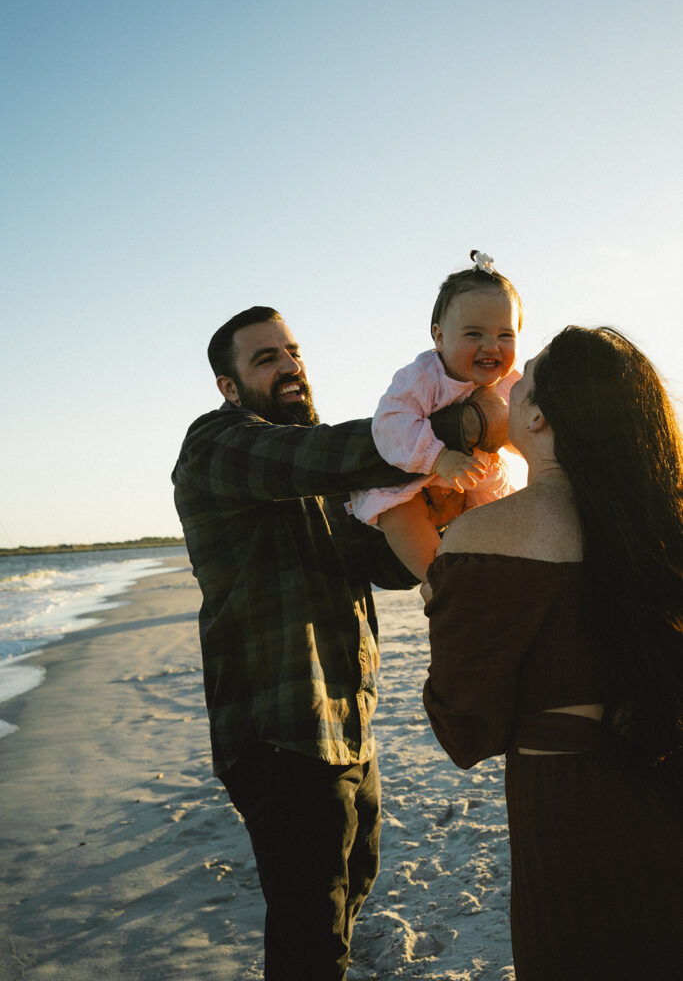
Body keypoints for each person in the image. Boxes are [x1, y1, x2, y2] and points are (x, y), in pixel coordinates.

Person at [171, 305, 504, 981]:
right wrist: (459, 422)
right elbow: (321, 455)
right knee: (309, 935)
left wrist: (440, 499)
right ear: (228, 388)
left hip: (348, 727)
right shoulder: (217, 445)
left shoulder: (324, 484)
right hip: (278, 733)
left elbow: (377, 562)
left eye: (292, 352)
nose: (291, 366)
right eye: (265, 359)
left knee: (350, 891)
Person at [422, 326, 683, 980]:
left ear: (537, 415)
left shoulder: (484, 533)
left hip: (571, 820)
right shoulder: (664, 529)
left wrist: (442, 594)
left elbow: (464, 729)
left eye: (522, 377)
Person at [351, 251, 522, 581]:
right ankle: (439, 581)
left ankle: (495, 578)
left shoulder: (511, 383)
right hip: (413, 479)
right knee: (398, 512)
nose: (492, 346)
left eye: (505, 335)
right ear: (440, 337)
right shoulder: (422, 377)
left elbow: (525, 426)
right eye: (474, 334)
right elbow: (391, 423)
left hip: (474, 479)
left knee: (500, 517)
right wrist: (439, 458)